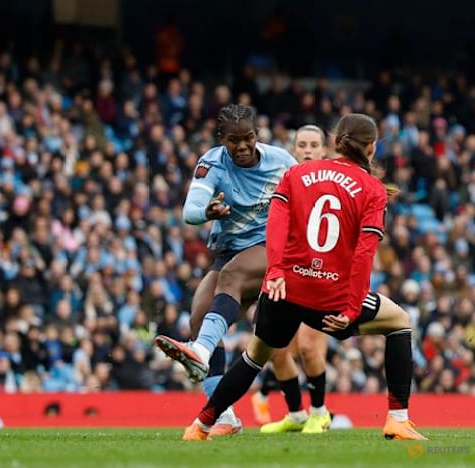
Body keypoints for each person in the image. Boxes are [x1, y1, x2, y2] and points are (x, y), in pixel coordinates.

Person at [182, 113, 427, 441]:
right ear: (371, 149)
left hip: (285, 287)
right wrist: (351, 309)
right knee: (399, 322)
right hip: (330, 294)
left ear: (334, 142)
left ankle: (201, 425)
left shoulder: (296, 173)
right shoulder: (373, 189)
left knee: (255, 356)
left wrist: (278, 272)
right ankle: (397, 418)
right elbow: (363, 256)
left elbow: (276, 228)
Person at [155, 104, 297, 437]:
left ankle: (200, 352)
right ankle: (224, 417)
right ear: (222, 140)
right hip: (230, 250)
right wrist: (207, 211)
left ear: (257, 136)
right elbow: (190, 211)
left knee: (231, 280)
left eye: (248, 138)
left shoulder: (281, 162)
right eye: (234, 140)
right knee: (199, 317)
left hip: (274, 247)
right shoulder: (212, 163)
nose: (243, 146)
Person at [250, 125, 335, 433]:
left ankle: (320, 411)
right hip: (284, 278)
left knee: (309, 348)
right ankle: (296, 414)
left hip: (319, 277)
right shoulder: (283, 182)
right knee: (277, 351)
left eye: (314, 144)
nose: (309, 150)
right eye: (303, 145)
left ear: (324, 151)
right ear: (294, 150)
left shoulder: (334, 186)